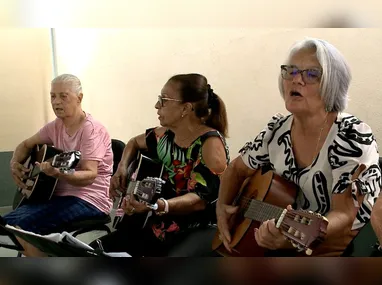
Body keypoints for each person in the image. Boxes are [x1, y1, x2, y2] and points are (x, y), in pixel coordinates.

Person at [216, 37, 381, 257]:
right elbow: (236, 169)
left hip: (340, 249)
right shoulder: (276, 130)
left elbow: (344, 214)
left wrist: (290, 239)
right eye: (291, 71)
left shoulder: (351, 134)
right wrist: (222, 208)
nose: (296, 80)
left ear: (333, 83)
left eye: (311, 74)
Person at [90, 73, 230, 257]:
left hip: (189, 232)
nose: (157, 106)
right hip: (150, 222)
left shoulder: (210, 144)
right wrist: (121, 169)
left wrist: (159, 206)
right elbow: (133, 143)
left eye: (163, 100)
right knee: (91, 251)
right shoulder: (165, 136)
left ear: (186, 108)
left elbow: (201, 200)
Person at [6, 74, 113, 256]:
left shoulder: (91, 130)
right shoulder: (54, 126)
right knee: (5, 224)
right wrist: (15, 163)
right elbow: (25, 145)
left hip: (88, 199)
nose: (56, 102)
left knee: (20, 228)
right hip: (55, 197)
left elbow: (89, 175)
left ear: (79, 98)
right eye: (53, 96)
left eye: (64, 96)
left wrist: (59, 174)